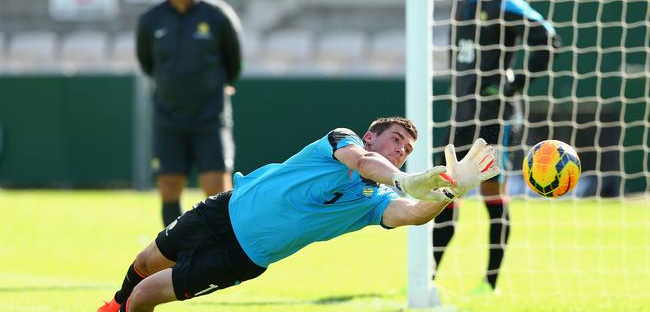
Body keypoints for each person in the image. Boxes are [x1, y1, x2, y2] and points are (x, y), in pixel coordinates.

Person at [97, 117, 499, 312]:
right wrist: (404, 178)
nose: (401, 150)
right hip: (222, 210)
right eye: (397, 140)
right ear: (373, 135)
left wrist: (452, 190)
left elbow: (413, 214)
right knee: (144, 263)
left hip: (242, 256)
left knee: (145, 296)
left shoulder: (372, 201)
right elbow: (363, 162)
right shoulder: (344, 142)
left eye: (408, 150)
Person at [432, 0, 560, 293]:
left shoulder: (504, 2)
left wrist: (515, 82)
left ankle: (490, 285)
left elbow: (547, 38)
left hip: (495, 115)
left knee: (491, 193)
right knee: (444, 192)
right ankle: (428, 280)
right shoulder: (461, 4)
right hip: (462, 113)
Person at [136, 0, 243, 226]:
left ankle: (219, 253)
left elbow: (234, 63)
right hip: (168, 118)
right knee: (169, 187)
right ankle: (175, 255)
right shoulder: (151, 21)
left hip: (210, 118)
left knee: (217, 189)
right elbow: (147, 63)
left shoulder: (218, 15)